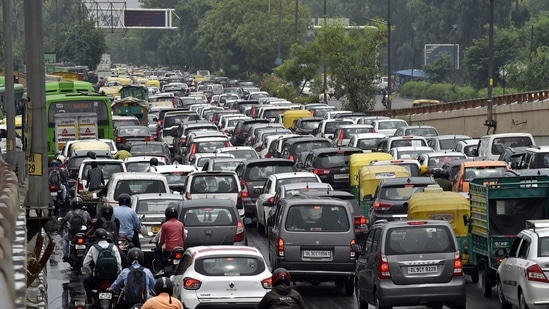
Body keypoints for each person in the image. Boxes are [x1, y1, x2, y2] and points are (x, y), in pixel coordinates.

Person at [82, 228, 122, 306]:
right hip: (112, 278)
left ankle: (92, 300)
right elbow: (119, 264)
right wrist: (116, 274)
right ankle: (117, 301)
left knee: (86, 282)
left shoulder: (93, 248)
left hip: (97, 278)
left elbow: (85, 264)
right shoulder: (113, 247)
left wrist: (91, 273)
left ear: (96, 238)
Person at [153, 205, 185, 276]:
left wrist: (160, 246)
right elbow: (183, 237)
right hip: (180, 248)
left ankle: (161, 270)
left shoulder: (165, 225)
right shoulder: (181, 224)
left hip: (169, 250)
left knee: (157, 251)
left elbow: (161, 240)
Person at [60, 197, 92, 263]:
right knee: (89, 241)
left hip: (72, 234)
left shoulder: (69, 213)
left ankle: (65, 255)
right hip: (84, 235)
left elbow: (63, 222)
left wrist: (61, 227)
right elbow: (90, 223)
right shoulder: (85, 213)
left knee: (65, 238)